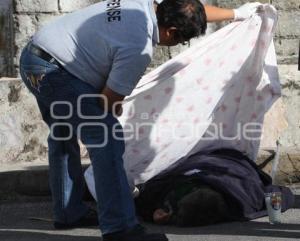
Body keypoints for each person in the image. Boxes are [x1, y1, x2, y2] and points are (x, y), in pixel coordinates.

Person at [19, 0, 262, 240]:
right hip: (57, 73)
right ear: (171, 32)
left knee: (63, 136)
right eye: (180, 40)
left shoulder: (145, 4)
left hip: (35, 57)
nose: (178, 43)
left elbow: (190, 8)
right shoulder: (139, 47)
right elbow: (108, 102)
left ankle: (69, 212)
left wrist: (236, 14)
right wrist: (117, 109)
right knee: (107, 140)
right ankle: (120, 229)